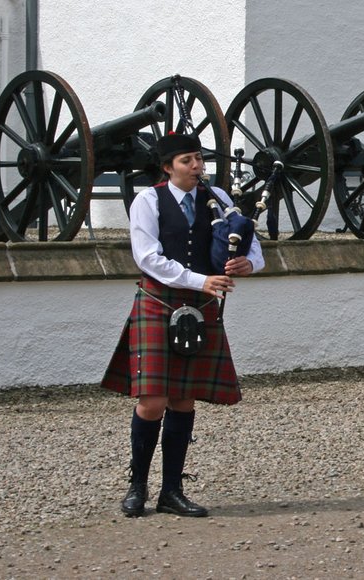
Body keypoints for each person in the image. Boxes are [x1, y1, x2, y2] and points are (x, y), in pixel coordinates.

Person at [101, 132, 264, 518]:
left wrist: (249, 264)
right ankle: (137, 486)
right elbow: (147, 257)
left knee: (183, 398)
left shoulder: (218, 199)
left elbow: (253, 246)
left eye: (198, 159)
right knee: (152, 400)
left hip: (201, 305)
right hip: (160, 302)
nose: (197, 167)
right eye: (187, 160)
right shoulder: (147, 201)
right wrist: (199, 279)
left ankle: (171, 491)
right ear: (167, 167)